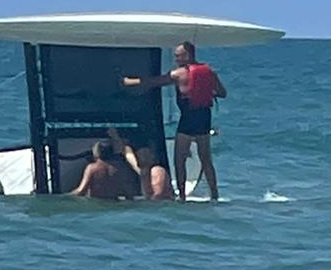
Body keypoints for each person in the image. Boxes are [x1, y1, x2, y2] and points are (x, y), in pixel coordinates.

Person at [122, 41, 225, 202]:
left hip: (189, 117)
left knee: (179, 158)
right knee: (206, 158)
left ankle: (182, 195)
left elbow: (154, 82)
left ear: (188, 55)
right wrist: (204, 91)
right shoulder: (209, 71)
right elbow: (222, 93)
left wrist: (130, 82)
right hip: (204, 116)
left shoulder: (179, 74)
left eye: (179, 56)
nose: (176, 59)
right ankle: (215, 194)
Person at [109, 127, 175, 201]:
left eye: (145, 154)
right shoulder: (138, 172)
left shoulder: (157, 171)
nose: (142, 156)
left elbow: (159, 196)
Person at [70, 138, 137, 201]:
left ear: (97, 153)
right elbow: (129, 193)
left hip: (96, 203)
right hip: (113, 204)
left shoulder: (92, 168)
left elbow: (81, 191)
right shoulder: (120, 169)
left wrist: (66, 196)